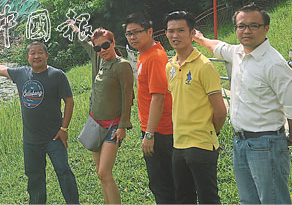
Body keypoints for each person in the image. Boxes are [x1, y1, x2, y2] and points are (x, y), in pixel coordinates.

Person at [193, 3, 292, 204]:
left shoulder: (274, 63)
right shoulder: (238, 53)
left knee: (273, 200)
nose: (246, 30)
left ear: (266, 28)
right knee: (248, 200)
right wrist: (200, 39)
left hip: (267, 144)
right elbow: (217, 47)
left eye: (254, 25)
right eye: (241, 26)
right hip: (240, 141)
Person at [0, 41, 79, 204]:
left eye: (40, 53)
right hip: (31, 140)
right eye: (33, 53)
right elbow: (1, 69)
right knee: (35, 177)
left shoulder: (57, 75)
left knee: (63, 171)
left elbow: (69, 102)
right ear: (27, 57)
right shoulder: (21, 73)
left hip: (54, 137)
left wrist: (64, 128)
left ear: (46, 55)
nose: (36, 56)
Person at [164, 11, 227, 204]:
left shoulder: (204, 66)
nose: (175, 36)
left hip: (201, 144)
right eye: (171, 31)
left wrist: (209, 132)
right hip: (178, 144)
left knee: (208, 198)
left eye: (181, 30)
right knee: (183, 197)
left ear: (192, 33)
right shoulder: (170, 66)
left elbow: (220, 111)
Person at [68, 22, 134, 204]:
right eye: (98, 47)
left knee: (104, 172)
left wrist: (123, 126)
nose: (102, 50)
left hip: (113, 126)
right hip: (95, 122)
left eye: (106, 45)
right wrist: (74, 27)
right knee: (101, 175)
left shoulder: (122, 66)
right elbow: (84, 42)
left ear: (113, 43)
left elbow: (128, 97)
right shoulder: (99, 59)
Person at [123, 13, 175, 204]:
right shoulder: (144, 55)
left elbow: (159, 98)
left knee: (164, 184)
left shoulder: (154, 57)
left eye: (137, 32)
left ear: (150, 31)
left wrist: (150, 134)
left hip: (161, 132)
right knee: (160, 183)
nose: (132, 37)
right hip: (153, 129)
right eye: (129, 34)